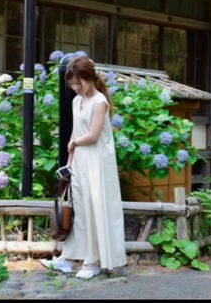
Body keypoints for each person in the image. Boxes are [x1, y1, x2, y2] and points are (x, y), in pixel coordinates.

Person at [41, 55, 127, 280]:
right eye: (72, 84)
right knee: (78, 208)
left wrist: (74, 143)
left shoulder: (100, 102)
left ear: (90, 78)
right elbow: (75, 131)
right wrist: (69, 162)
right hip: (80, 159)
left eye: (79, 83)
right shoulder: (76, 101)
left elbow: (92, 136)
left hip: (97, 161)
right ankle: (69, 258)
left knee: (94, 208)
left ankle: (94, 260)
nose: (76, 88)